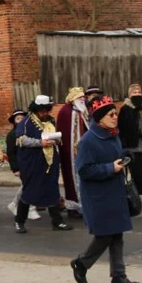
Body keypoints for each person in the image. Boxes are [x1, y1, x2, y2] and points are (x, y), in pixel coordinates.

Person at [70, 96, 140, 283]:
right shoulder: (88, 141)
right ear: (99, 118)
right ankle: (81, 263)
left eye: (115, 113)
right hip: (99, 197)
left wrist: (125, 158)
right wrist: (110, 168)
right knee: (106, 235)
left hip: (115, 193)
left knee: (116, 234)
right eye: (111, 114)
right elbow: (84, 170)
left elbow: (115, 156)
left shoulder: (112, 134)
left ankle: (119, 276)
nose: (115, 117)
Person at [14, 95, 70, 233]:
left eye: (47, 111)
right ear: (36, 109)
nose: (45, 114)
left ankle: (57, 221)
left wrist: (56, 140)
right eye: (42, 111)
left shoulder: (50, 120)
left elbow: (55, 136)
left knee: (52, 190)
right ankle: (19, 221)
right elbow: (21, 140)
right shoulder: (26, 122)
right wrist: (40, 143)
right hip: (32, 163)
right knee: (29, 191)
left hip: (50, 162)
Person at [56, 87, 89, 215]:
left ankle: (83, 203)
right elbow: (64, 133)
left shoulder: (82, 110)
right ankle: (73, 206)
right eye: (80, 97)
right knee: (72, 178)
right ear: (73, 98)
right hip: (70, 153)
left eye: (83, 97)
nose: (83, 99)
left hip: (82, 150)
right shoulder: (66, 111)